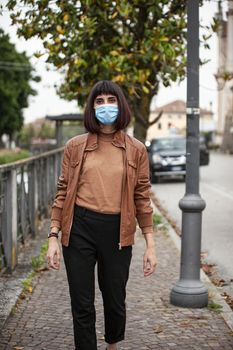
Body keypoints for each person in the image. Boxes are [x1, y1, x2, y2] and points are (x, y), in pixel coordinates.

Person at [46, 80, 157, 350]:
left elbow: (142, 196)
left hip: (117, 231)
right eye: (99, 101)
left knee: (114, 299)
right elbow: (63, 191)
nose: (105, 106)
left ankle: (112, 344)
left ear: (121, 106)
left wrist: (150, 244)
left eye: (111, 100)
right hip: (80, 228)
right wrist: (53, 235)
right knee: (81, 303)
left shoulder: (136, 149)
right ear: (91, 108)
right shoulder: (75, 146)